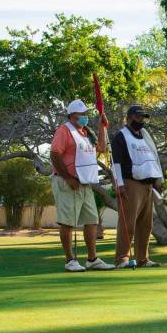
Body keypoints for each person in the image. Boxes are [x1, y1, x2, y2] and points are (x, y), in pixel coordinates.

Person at [50, 99, 115, 272]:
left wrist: (102, 127)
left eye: (86, 113)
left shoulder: (86, 133)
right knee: (67, 222)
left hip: (85, 183)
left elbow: (100, 147)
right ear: (72, 115)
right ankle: (70, 260)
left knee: (92, 220)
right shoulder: (64, 131)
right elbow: (55, 154)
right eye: (81, 114)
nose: (85, 117)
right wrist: (68, 177)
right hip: (67, 182)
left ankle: (92, 259)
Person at [111, 105, 164, 268]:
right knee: (128, 223)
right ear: (129, 117)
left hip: (148, 185)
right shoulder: (121, 136)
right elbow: (116, 162)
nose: (141, 120)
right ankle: (122, 258)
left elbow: (152, 159)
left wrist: (157, 180)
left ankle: (142, 258)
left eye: (143, 118)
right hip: (130, 183)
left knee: (145, 225)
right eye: (138, 117)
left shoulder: (145, 137)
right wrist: (119, 184)